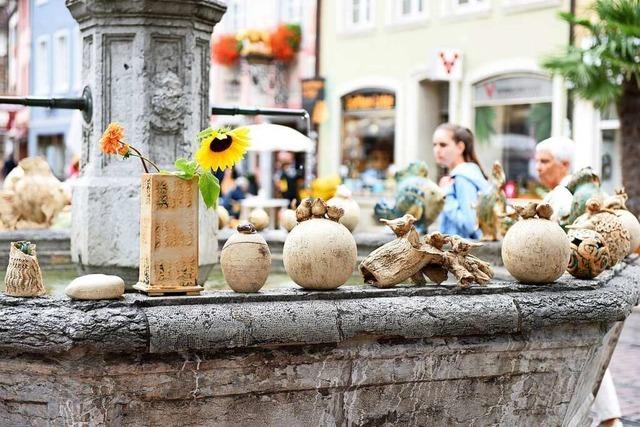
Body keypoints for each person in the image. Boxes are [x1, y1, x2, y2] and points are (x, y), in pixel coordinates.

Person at [535, 136, 622, 427]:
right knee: (587, 347)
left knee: (584, 347)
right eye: (537, 160)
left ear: (565, 164)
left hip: (575, 278)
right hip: (581, 277)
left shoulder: (568, 195)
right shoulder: (576, 191)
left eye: (544, 161)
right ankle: (607, 417)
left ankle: (607, 418)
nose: (538, 168)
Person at [433, 123, 489, 239]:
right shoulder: (464, 174)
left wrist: (446, 195)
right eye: (434, 145)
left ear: (460, 147)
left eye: (443, 145)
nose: (437, 150)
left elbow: (470, 224)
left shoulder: (463, 178)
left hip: (461, 251)